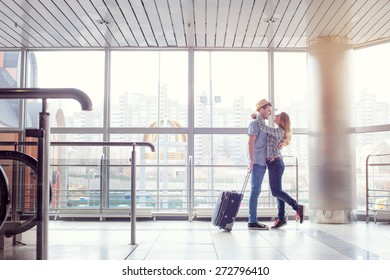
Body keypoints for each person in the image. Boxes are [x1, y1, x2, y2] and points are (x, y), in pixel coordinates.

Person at [254, 106, 304, 229]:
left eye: (277, 115)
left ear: (282, 120)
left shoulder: (279, 131)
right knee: (278, 192)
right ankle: (281, 218)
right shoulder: (278, 131)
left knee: (276, 191)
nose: (274, 116)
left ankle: (297, 207)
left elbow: (264, 128)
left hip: (275, 163)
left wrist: (258, 116)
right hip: (274, 163)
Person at [247, 99, 272, 230]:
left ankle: (253, 220)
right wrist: (252, 161)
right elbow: (250, 143)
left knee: (256, 191)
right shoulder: (255, 123)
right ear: (261, 110)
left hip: (262, 162)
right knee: (255, 191)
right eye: (268, 110)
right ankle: (252, 221)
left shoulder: (262, 125)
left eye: (271, 111)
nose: (270, 113)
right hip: (257, 162)